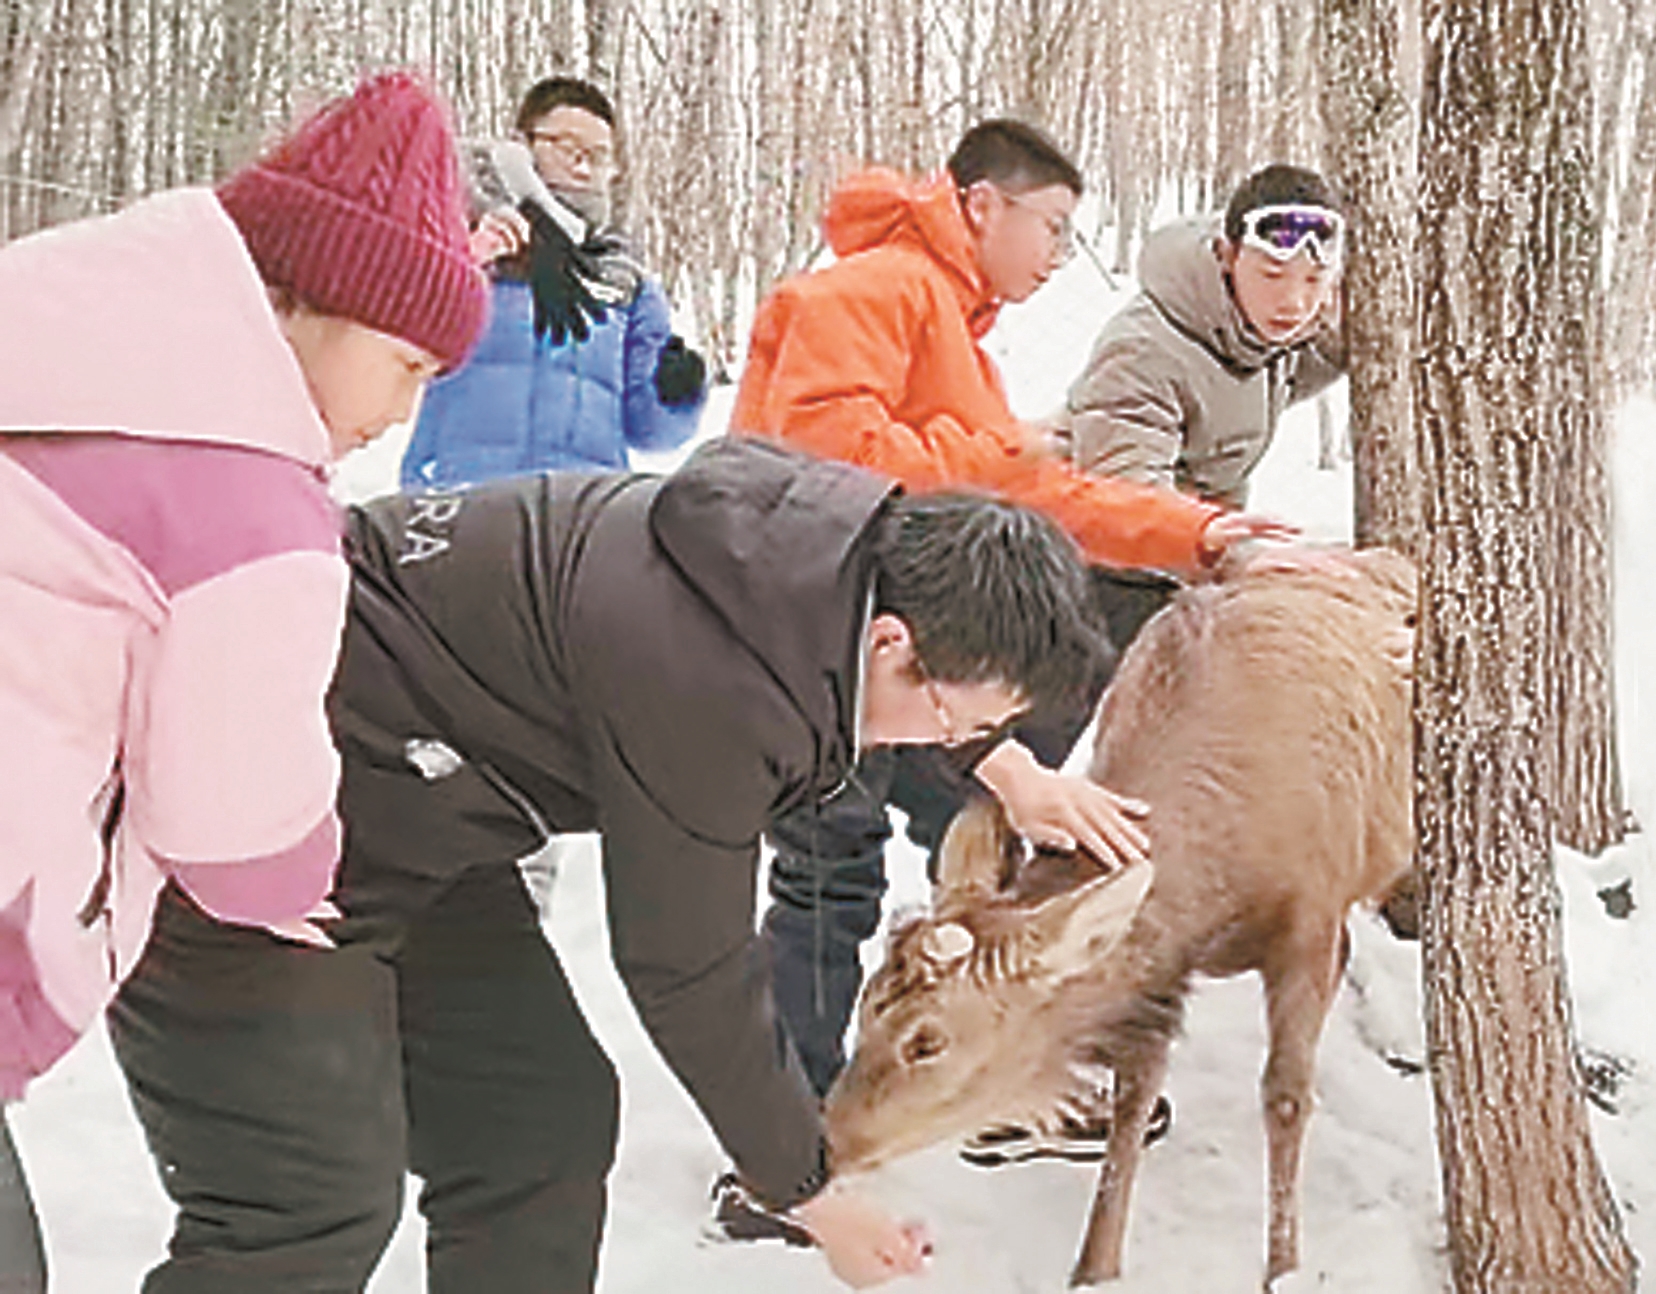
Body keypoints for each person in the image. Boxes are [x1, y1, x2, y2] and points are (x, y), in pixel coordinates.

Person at [106, 436, 1105, 1291]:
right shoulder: (711, 681)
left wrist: (994, 760)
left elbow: (898, 701)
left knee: (540, 1123)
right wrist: (808, 1188)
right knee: (309, 1202)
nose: (938, 743)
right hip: (248, 814)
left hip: (426, 818)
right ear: (892, 644)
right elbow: (687, 966)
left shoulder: (802, 569)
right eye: (959, 719)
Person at [0, 71, 487, 1291]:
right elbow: (226, 811)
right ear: (302, 304)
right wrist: (293, 875)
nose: (403, 410)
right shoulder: (257, 508)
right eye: (405, 361)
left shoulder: (55, 357)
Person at [730, 119, 1300, 1117]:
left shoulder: (956, 330)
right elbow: (827, 457)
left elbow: (1056, 497)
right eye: (1051, 225)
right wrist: (992, 463)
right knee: (829, 878)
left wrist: (1198, 532)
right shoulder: (875, 288)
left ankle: (978, 1073)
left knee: (976, 832)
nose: (1055, 252)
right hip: (816, 648)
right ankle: (785, 1139)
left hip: (905, 658)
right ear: (981, 204)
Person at [399, 75, 707, 490]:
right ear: (522, 145)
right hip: (461, 501)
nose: (582, 167)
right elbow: (394, 334)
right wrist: (474, 254)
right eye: (567, 147)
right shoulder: (457, 235)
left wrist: (678, 390)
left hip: (583, 514)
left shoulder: (623, 279)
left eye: (598, 156)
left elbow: (652, 432)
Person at [1058, 163, 1346, 510]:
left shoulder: (1256, 330)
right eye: (1272, 275)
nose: (1294, 302)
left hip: (1194, 538)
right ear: (1227, 255)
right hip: (1085, 545)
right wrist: (1243, 556)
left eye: (1313, 280)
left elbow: (1304, 365)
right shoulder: (1145, 351)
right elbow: (1127, 503)